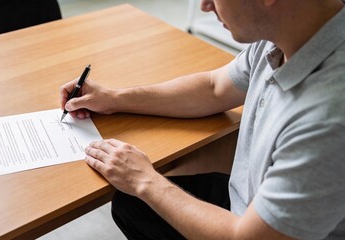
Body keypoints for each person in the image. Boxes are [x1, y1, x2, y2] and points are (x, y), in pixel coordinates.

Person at [60, 0, 345, 239]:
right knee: (131, 205)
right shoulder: (285, 34)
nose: (204, 5)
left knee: (140, 195)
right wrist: (115, 99)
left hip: (250, 230)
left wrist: (145, 180)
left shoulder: (327, 119)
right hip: (248, 206)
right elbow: (214, 87)